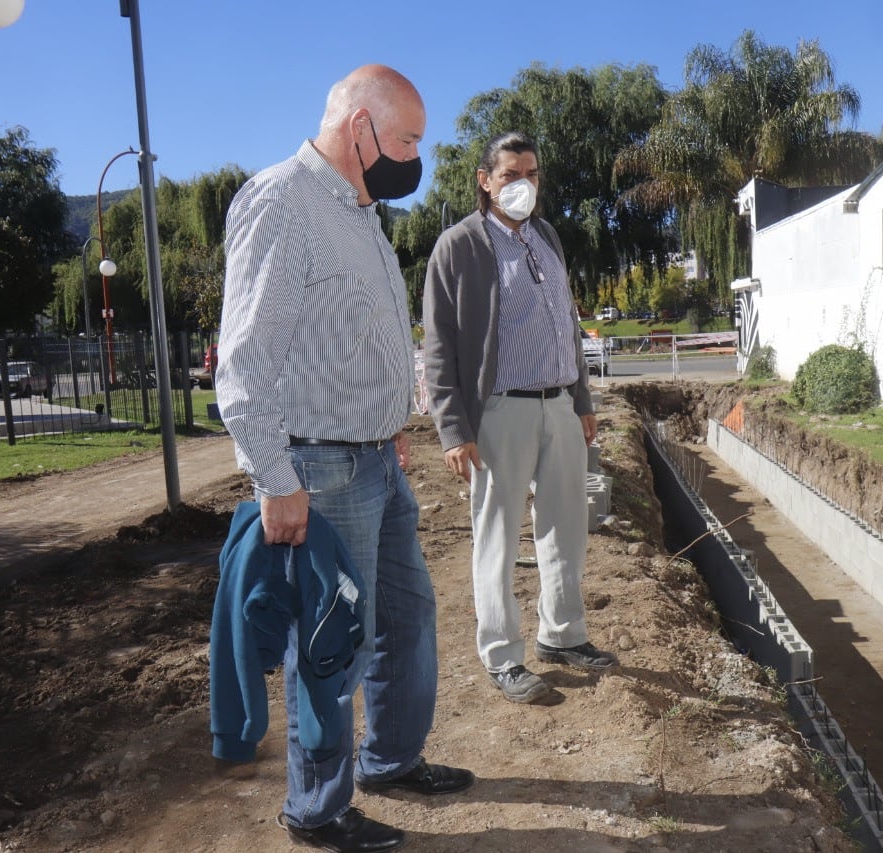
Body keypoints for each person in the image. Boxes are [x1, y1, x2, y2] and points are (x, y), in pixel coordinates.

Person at [215, 64, 473, 853]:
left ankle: (390, 758)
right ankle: (317, 809)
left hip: (378, 459)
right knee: (332, 644)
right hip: (318, 471)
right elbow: (244, 362)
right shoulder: (282, 202)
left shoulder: (360, 211)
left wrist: (392, 415)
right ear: (359, 127)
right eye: (406, 139)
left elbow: (354, 336)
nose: (414, 158)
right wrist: (275, 478)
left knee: (405, 615)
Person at [422, 131, 619, 706]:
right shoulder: (459, 246)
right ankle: (503, 657)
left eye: (531, 174)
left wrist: (581, 400)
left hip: (558, 406)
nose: (522, 185)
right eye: (510, 175)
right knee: (498, 538)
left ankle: (562, 636)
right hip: (500, 412)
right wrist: (453, 430)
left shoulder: (547, 237)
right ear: (485, 180)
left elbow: (568, 324)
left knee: (566, 528)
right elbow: (439, 347)